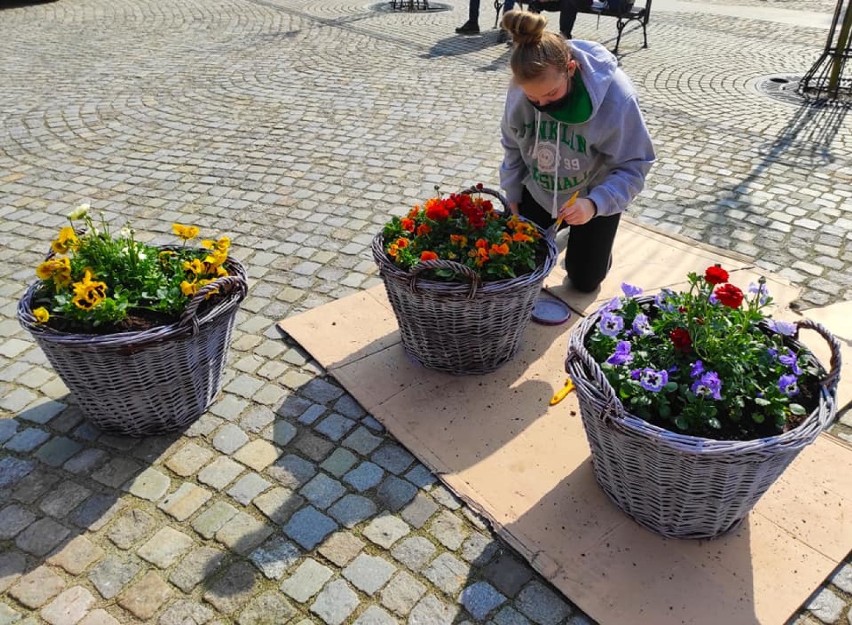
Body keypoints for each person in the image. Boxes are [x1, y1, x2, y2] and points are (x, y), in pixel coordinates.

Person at [498, 9, 654, 292]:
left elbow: (634, 165)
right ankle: (561, 228)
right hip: (541, 188)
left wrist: (595, 204)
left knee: (584, 281)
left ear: (571, 68)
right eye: (534, 98)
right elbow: (512, 144)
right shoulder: (520, 89)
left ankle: (591, 243)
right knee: (517, 266)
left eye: (552, 95)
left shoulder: (618, 99)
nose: (543, 106)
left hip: (592, 193)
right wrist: (512, 195)